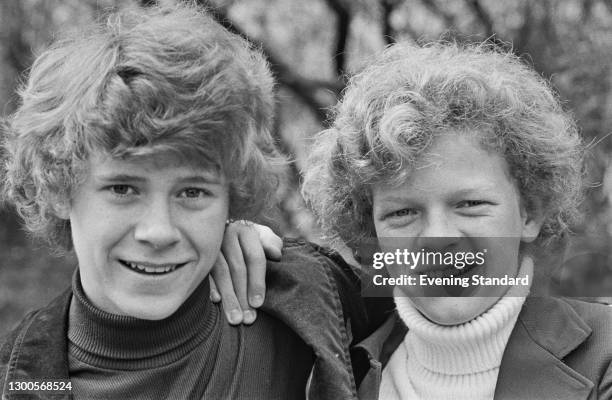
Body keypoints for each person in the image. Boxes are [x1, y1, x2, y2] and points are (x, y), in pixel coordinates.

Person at [0, 4, 378, 399]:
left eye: (192, 192)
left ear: (231, 197)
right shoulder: (19, 380)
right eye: (123, 189)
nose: (159, 231)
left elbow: (444, 275)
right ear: (60, 189)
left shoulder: (298, 292)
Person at [299, 42, 612, 399]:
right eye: (402, 213)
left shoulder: (603, 358)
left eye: (470, 204)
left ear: (531, 213)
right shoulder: (337, 377)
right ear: (372, 236)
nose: (438, 237)